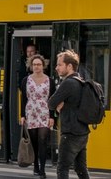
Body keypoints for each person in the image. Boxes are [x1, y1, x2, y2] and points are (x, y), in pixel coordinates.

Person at [48, 50, 91, 179]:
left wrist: (60, 104)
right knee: (81, 168)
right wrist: (62, 104)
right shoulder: (81, 81)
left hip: (70, 132)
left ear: (69, 66)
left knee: (62, 168)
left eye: (59, 65)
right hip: (82, 131)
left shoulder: (68, 83)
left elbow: (50, 103)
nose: (56, 68)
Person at [21, 54, 52, 178]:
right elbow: (23, 98)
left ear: (43, 66)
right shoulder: (26, 80)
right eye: (34, 64)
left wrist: (52, 117)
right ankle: (35, 166)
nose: (36, 66)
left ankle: (43, 170)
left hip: (45, 112)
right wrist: (22, 115)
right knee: (33, 141)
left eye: (39, 64)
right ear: (31, 66)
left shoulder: (49, 80)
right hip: (31, 112)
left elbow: (52, 99)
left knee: (43, 140)